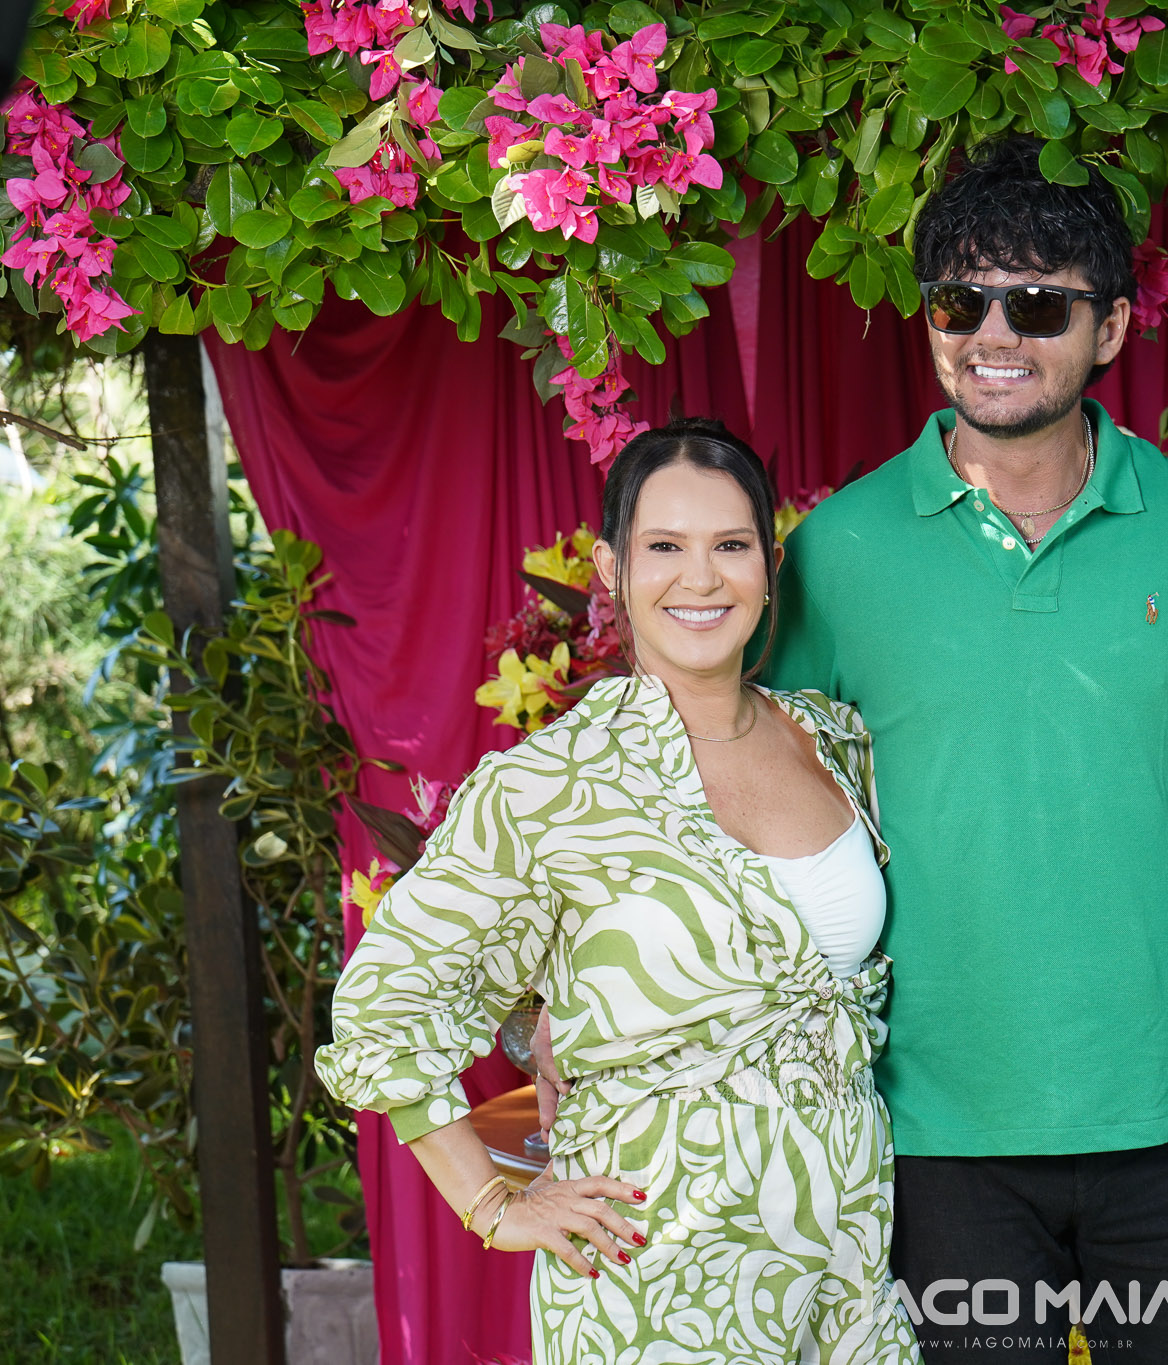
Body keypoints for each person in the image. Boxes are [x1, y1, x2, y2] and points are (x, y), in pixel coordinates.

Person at [756, 134, 1168, 1362]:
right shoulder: (837, 549)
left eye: (1039, 304)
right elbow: (750, 804)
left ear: (1110, 330)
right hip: (937, 1132)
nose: (993, 333)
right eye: (961, 301)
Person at [314, 419, 921, 1364]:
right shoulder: (553, 784)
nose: (701, 578)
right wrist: (491, 1203)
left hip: (846, 1273)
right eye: (664, 547)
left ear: (770, 565)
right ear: (610, 569)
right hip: (657, 1282)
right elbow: (387, 1002)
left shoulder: (833, 740)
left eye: (730, 545)